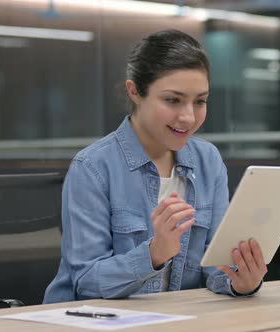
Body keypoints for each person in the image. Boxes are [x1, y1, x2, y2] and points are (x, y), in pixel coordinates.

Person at [44, 29, 267, 303]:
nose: (188, 117)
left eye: (200, 101)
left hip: (176, 320)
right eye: (173, 100)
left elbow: (214, 267)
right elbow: (87, 282)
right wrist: (154, 254)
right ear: (135, 91)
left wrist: (240, 281)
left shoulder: (208, 161)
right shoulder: (92, 167)